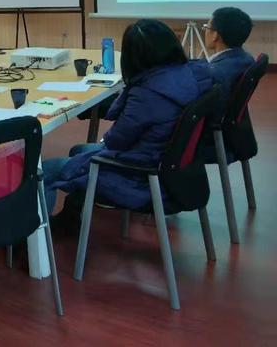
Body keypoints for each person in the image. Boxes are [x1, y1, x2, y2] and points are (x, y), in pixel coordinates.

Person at [42, 19, 213, 216]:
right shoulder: (196, 74)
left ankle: (41, 236)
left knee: (45, 171)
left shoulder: (147, 94)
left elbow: (116, 141)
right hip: (173, 170)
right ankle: (74, 217)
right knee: (79, 151)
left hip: (143, 178)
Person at [201, 6, 255, 162]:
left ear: (215, 35)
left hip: (209, 141)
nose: (205, 31)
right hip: (234, 135)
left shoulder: (216, 73)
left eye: (206, 27)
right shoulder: (246, 59)